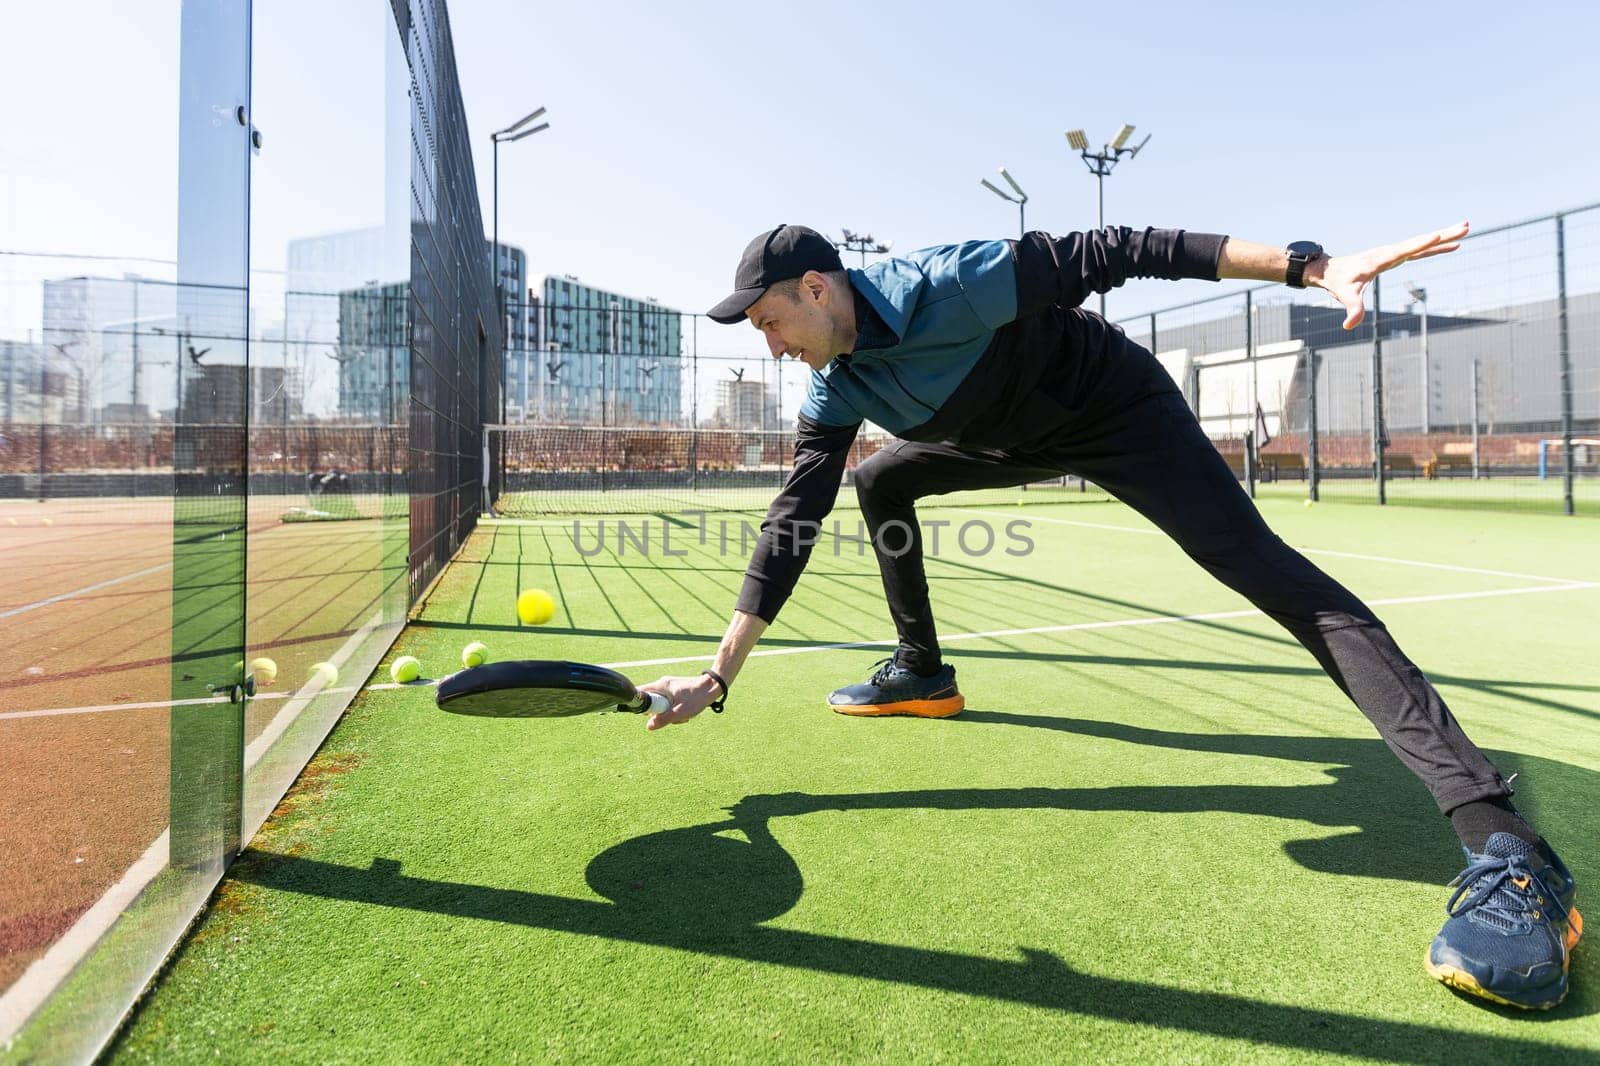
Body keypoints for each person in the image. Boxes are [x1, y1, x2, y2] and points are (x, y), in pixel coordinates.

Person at [637, 222, 1580, 1010]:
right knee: (882, 476)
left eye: (771, 322)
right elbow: (793, 520)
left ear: (816, 287)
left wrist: (1304, 267)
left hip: (1115, 411)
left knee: (1262, 571)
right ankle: (922, 668)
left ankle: (1508, 848)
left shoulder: (948, 285)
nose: (770, 345)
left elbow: (1123, 246)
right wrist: (719, 673)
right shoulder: (835, 385)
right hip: (1005, 435)